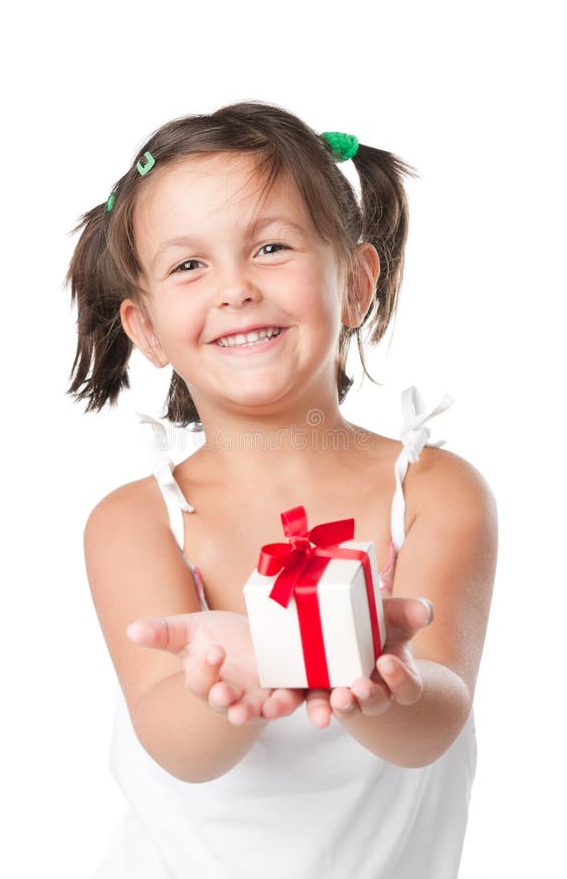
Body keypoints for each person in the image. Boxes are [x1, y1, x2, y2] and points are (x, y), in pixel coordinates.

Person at [65, 100, 497, 879]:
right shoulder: (136, 521)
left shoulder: (434, 491)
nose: (234, 289)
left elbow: (436, 720)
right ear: (149, 329)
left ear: (357, 281)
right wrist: (249, 663)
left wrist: (370, 669)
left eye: (270, 247)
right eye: (189, 265)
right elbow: (177, 748)